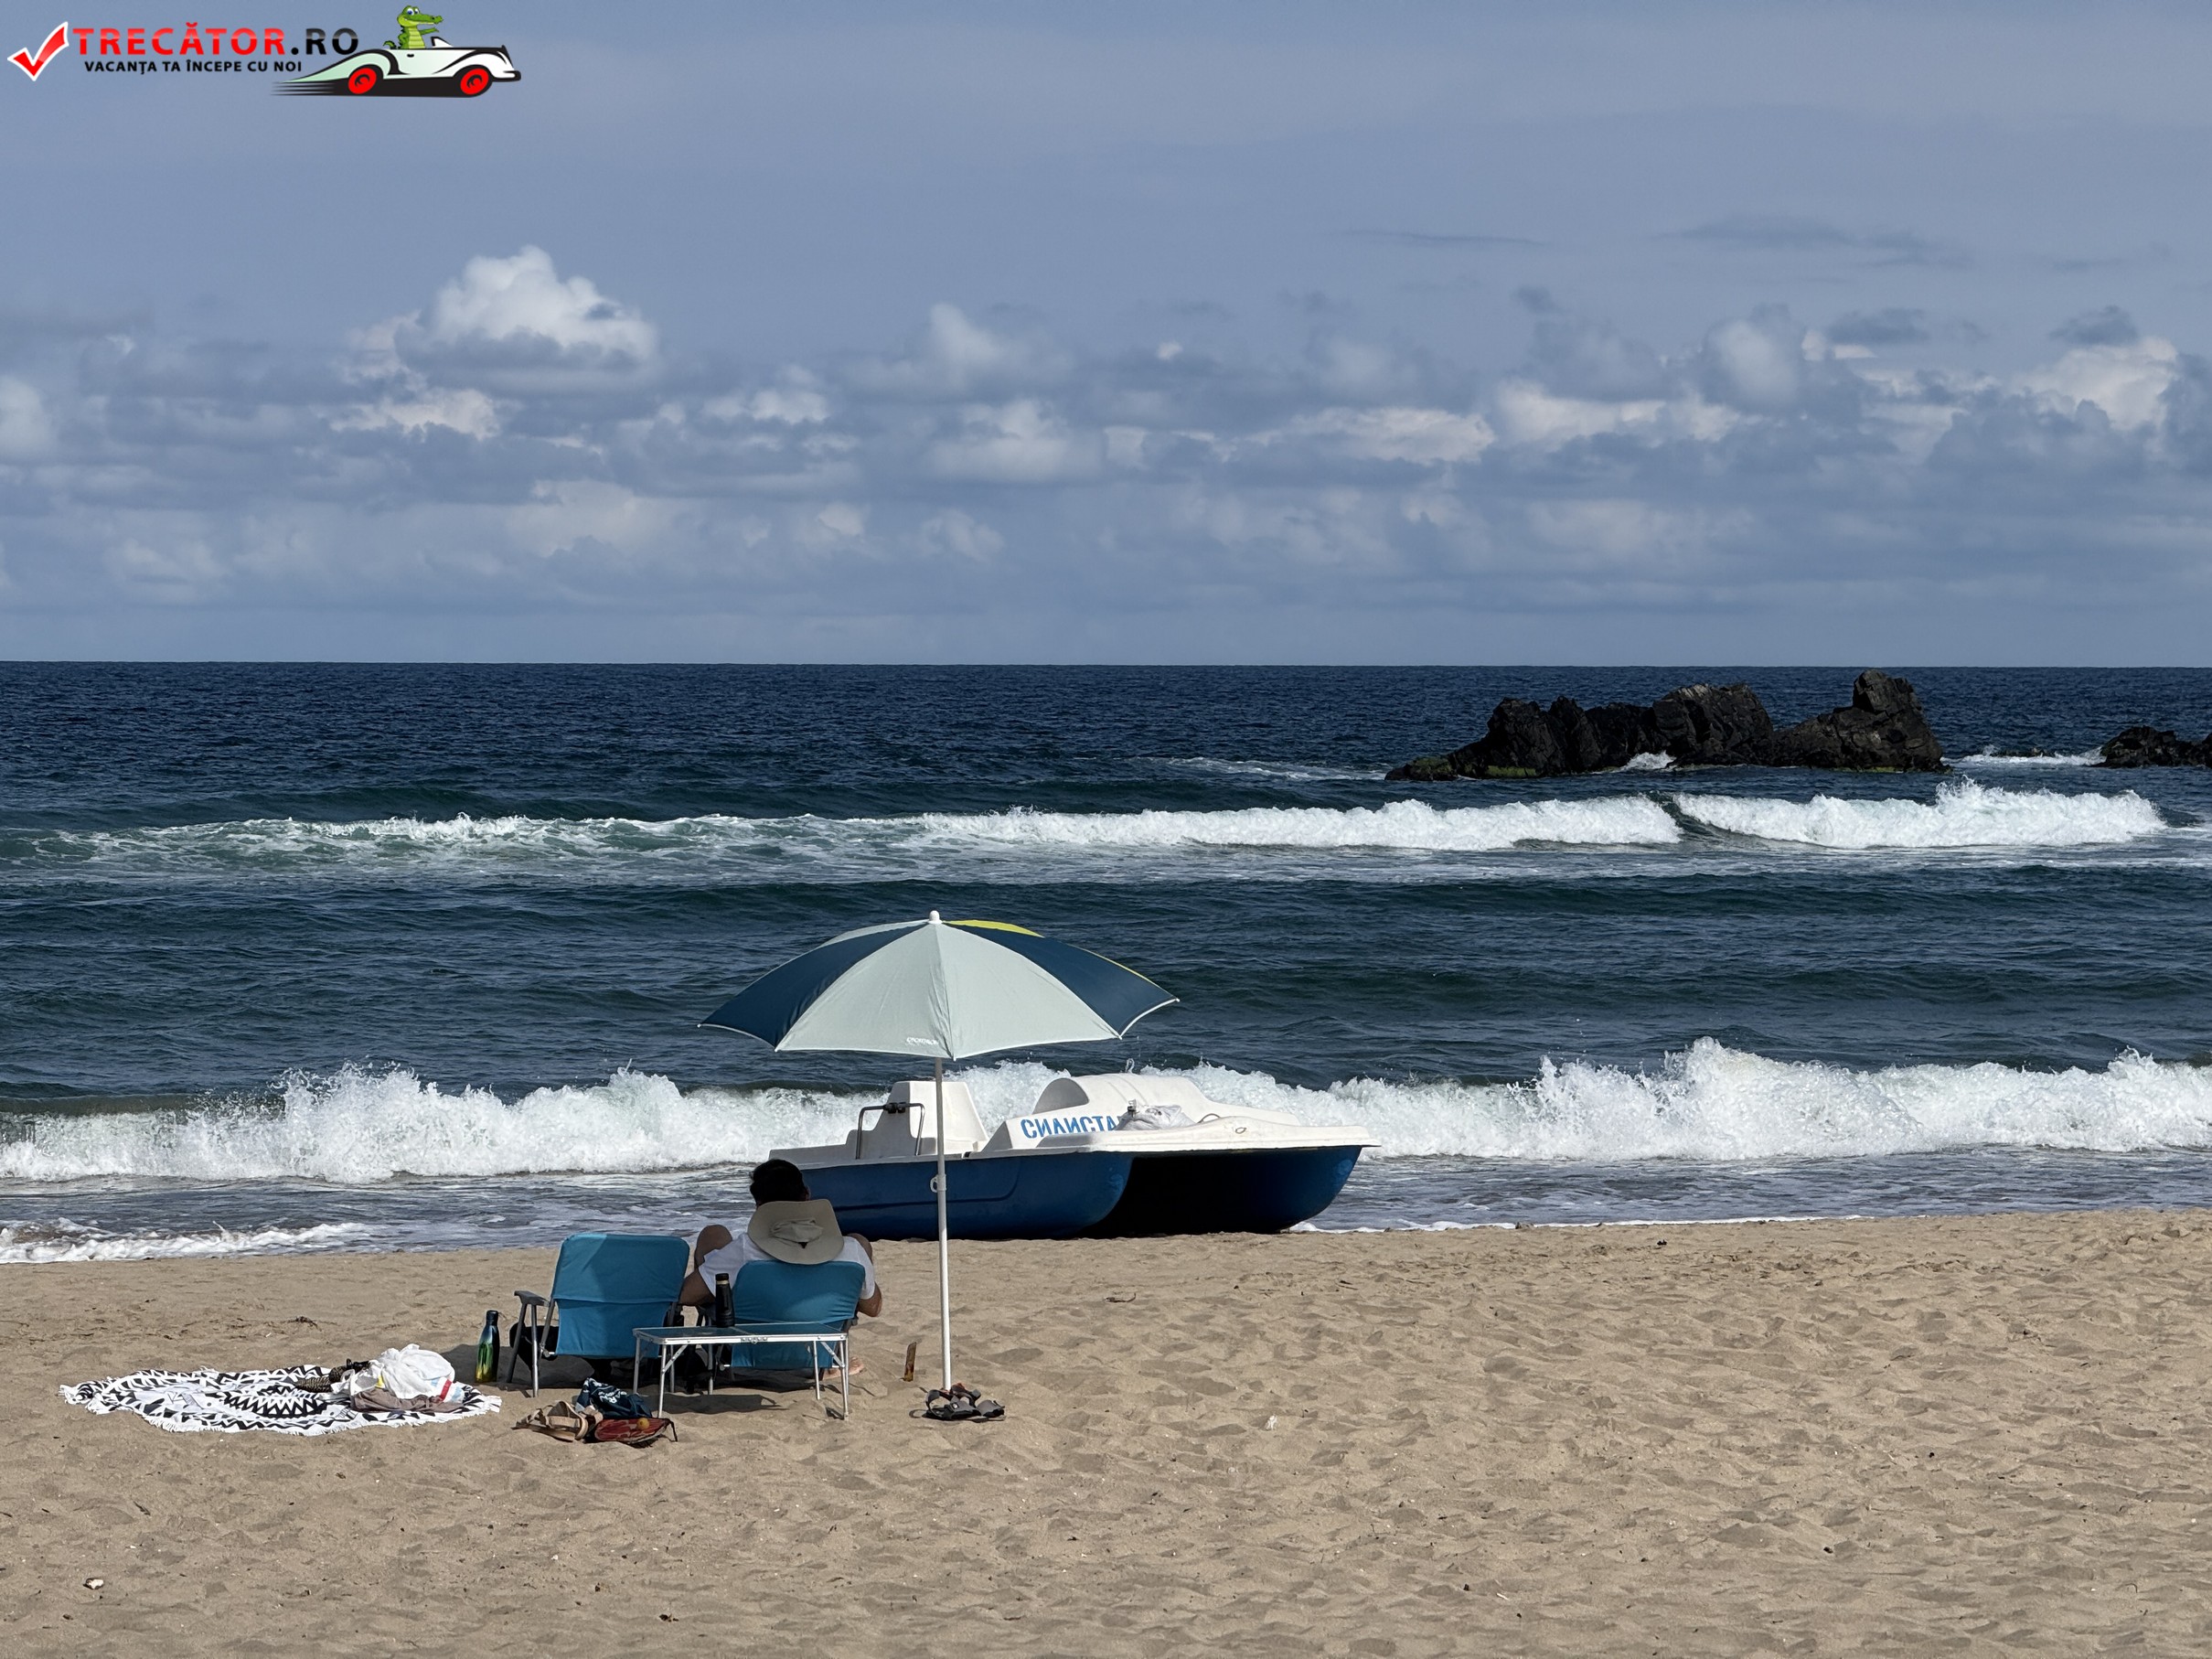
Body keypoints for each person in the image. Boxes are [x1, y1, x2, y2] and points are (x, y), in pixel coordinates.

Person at [682, 1158, 882, 1321]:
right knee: (860, 1242)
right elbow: (873, 1308)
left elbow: (686, 1295)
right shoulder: (850, 1251)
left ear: (759, 1205)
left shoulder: (746, 1250)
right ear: (807, 1194)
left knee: (714, 1234)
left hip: (752, 1350)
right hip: (821, 1349)